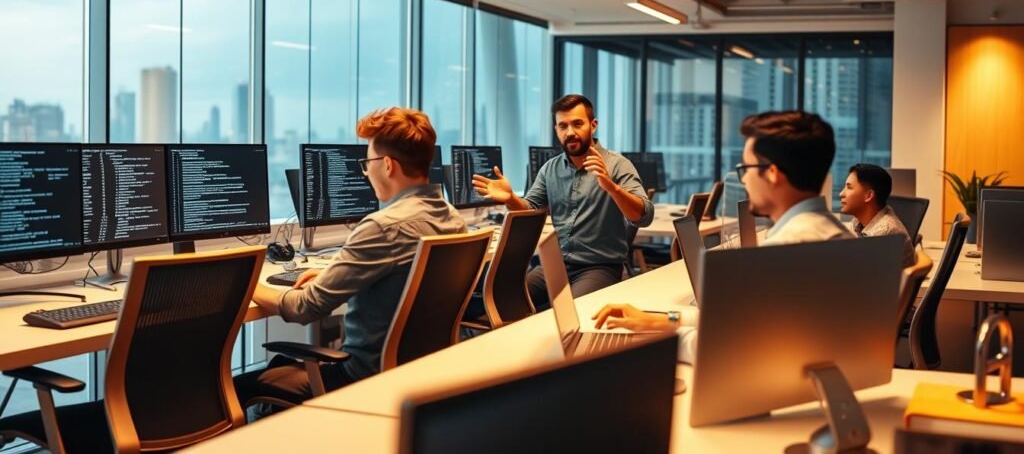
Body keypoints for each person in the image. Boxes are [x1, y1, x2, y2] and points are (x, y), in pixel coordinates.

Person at [235, 107, 466, 410]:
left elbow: (305, 307)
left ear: (387, 165)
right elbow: (399, 273)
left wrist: (244, 283)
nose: (366, 171)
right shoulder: (452, 218)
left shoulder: (382, 226)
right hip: (421, 372)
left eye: (366, 163)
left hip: (362, 378)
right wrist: (332, 274)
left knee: (235, 388)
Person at [591, 110, 852, 361]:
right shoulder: (837, 236)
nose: (745, 180)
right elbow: (732, 322)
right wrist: (658, 320)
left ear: (772, 174)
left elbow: (724, 347)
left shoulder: (783, 252)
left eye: (745, 169)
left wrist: (652, 336)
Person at [472, 94, 653, 307]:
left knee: (572, 310)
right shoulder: (550, 169)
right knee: (504, 298)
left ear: (593, 125)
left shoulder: (617, 165)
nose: (570, 133)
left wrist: (612, 188)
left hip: (599, 267)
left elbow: (644, 216)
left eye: (577, 124)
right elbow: (529, 209)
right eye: (563, 126)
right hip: (555, 265)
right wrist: (511, 198)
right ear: (556, 130)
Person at [840, 163, 916, 268]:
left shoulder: (885, 232)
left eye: (849, 187)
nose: (841, 194)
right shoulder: (860, 221)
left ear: (869, 196)